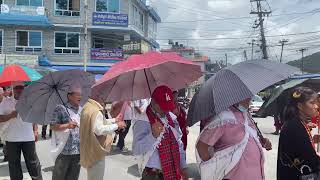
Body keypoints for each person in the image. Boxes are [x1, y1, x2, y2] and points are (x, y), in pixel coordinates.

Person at [196, 98, 272, 180]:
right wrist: (214, 167)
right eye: (246, 95)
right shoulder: (223, 117)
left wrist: (262, 141)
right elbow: (201, 146)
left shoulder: (247, 115)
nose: (250, 97)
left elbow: (249, 137)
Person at [132, 86, 188, 180]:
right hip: (153, 175)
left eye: (168, 106)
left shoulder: (171, 118)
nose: (165, 110)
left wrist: (183, 166)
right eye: (162, 106)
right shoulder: (143, 121)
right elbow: (136, 150)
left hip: (173, 171)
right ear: (153, 102)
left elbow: (179, 143)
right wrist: (152, 136)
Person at [0, 84, 43, 180]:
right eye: (16, 87)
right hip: (11, 138)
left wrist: (35, 130)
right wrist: (10, 116)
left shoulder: (30, 102)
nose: (19, 90)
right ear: (12, 88)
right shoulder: (5, 102)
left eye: (21, 87)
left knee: (33, 164)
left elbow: (34, 117)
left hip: (28, 137)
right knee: (14, 166)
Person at [277, 87, 320, 180]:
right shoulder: (294, 126)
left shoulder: (298, 123)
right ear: (300, 106)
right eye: (312, 103)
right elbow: (310, 158)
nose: (316, 106)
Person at [80, 96, 126, 180]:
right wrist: (117, 125)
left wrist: (114, 120)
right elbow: (99, 129)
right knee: (96, 176)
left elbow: (99, 122)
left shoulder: (88, 107)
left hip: (89, 147)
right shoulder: (95, 110)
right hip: (95, 149)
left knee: (92, 175)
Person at [50, 85, 82, 180]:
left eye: (81, 95)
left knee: (73, 177)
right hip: (64, 151)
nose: (80, 97)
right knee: (59, 177)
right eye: (77, 94)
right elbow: (52, 126)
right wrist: (67, 125)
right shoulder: (60, 108)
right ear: (69, 96)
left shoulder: (81, 110)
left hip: (78, 151)